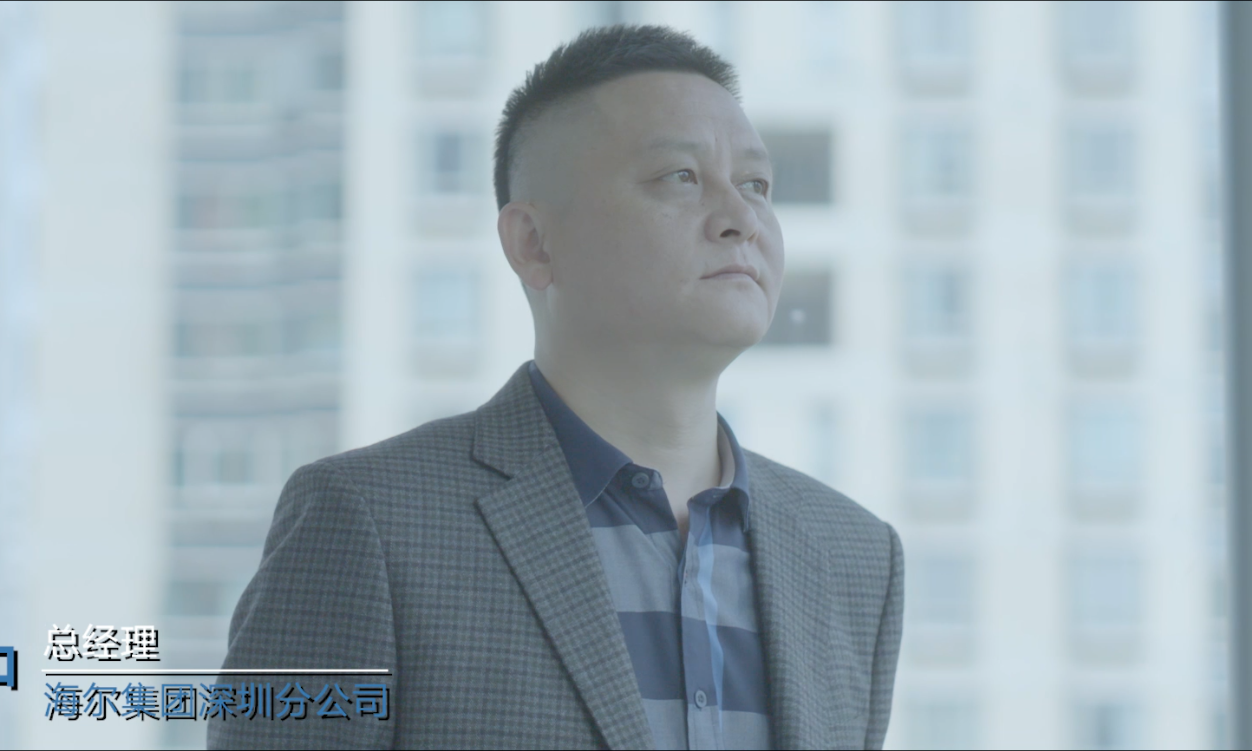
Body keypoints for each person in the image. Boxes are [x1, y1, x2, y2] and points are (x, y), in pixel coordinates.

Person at [209, 24, 902, 750]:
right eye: (680, 176)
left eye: (756, 185)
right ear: (534, 243)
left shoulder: (856, 558)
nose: (742, 220)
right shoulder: (367, 522)